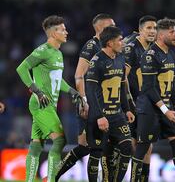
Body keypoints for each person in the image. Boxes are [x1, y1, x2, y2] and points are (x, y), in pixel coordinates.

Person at [16, 15, 83, 182]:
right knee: (60, 141)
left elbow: (57, 79)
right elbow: (22, 68)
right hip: (41, 104)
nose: (66, 32)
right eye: (62, 29)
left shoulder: (58, 54)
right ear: (53, 33)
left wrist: (72, 91)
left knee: (36, 146)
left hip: (49, 105)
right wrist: (37, 91)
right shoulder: (43, 50)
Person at [130, 18, 175, 182]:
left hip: (167, 110)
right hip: (149, 109)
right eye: (172, 32)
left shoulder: (170, 54)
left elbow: (171, 86)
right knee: (142, 147)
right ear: (161, 35)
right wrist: (166, 111)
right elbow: (149, 88)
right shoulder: (150, 56)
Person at [55, 13, 115, 181]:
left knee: (92, 147)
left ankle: (52, 176)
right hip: (90, 103)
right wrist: (84, 101)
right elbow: (79, 75)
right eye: (111, 26)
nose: (115, 29)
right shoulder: (91, 47)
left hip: (106, 103)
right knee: (90, 147)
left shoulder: (110, 47)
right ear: (100, 29)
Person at [85, 26, 135, 182]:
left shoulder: (120, 59)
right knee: (101, 154)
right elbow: (91, 91)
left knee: (127, 148)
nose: (123, 43)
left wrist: (126, 109)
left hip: (118, 115)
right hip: (101, 116)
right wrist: (99, 116)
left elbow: (121, 86)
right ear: (110, 42)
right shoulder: (96, 61)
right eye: (120, 40)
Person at [124, 15, 157, 182]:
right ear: (141, 30)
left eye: (154, 28)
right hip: (131, 104)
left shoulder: (154, 49)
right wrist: (129, 103)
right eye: (149, 28)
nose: (152, 31)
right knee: (132, 145)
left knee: (147, 145)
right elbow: (123, 78)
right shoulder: (131, 48)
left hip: (147, 105)